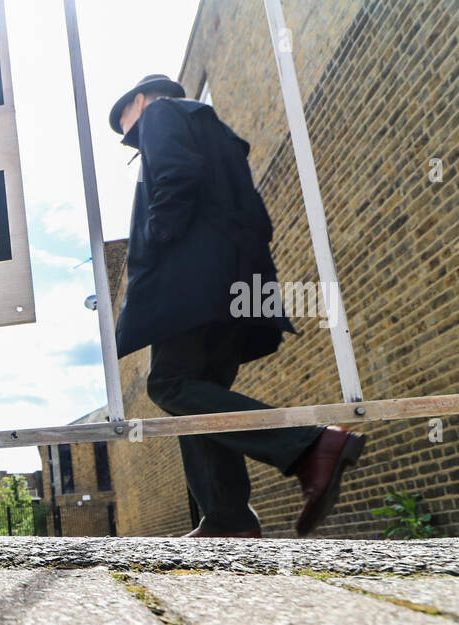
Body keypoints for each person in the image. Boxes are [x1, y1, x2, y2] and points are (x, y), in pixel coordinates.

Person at [109, 74, 365, 537]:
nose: (126, 130)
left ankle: (310, 447)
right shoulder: (213, 130)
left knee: (169, 384)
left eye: (124, 120)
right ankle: (227, 518)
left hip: (192, 286)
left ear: (141, 101)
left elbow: (175, 178)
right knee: (200, 393)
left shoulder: (162, 115)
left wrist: (161, 242)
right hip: (234, 282)